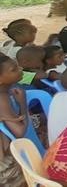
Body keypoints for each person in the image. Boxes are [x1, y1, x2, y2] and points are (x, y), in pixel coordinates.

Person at [0, 55, 28, 186]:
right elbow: (20, 132)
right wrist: (23, 103)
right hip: (6, 168)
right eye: (14, 69)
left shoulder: (6, 89)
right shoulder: (2, 99)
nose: (20, 69)